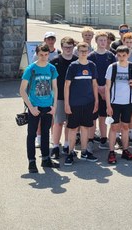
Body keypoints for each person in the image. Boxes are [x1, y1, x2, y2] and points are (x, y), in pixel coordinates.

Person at [20, 43, 59, 173]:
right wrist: (30, 107)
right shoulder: (31, 69)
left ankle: (46, 159)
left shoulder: (52, 68)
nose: (43, 57)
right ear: (36, 54)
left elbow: (55, 88)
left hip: (47, 106)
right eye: (41, 54)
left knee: (45, 133)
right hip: (35, 107)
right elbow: (22, 90)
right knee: (31, 134)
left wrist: (54, 106)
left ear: (49, 54)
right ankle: (31, 161)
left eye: (46, 54)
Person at [63, 42, 99, 166]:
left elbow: (94, 84)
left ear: (89, 51)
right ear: (77, 52)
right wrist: (67, 104)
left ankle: (84, 152)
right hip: (74, 104)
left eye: (86, 50)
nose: (84, 52)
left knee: (85, 128)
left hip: (88, 102)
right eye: (81, 50)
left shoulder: (92, 65)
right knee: (73, 129)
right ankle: (70, 153)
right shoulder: (73, 66)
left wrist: (96, 101)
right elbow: (67, 86)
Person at [104, 46, 132, 164]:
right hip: (115, 103)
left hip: (128, 102)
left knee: (125, 127)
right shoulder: (112, 67)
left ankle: (125, 150)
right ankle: (111, 152)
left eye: (123, 55)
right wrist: (108, 106)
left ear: (128, 54)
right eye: (119, 55)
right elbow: (107, 87)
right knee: (114, 127)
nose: (121, 58)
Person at [50, 36, 78, 159]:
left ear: (73, 47)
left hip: (74, 97)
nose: (68, 49)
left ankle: (67, 144)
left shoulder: (77, 61)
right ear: (61, 47)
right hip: (59, 97)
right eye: (66, 47)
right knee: (58, 122)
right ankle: (56, 146)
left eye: (70, 47)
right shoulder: (55, 62)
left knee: (70, 123)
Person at [87, 31, 116, 151]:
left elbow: (114, 72)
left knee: (104, 116)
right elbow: (89, 74)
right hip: (94, 90)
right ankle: (91, 139)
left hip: (107, 90)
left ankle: (104, 138)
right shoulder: (91, 56)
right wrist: (98, 88)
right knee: (93, 115)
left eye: (105, 40)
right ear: (96, 41)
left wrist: (105, 88)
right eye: (100, 40)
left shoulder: (111, 56)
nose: (103, 42)